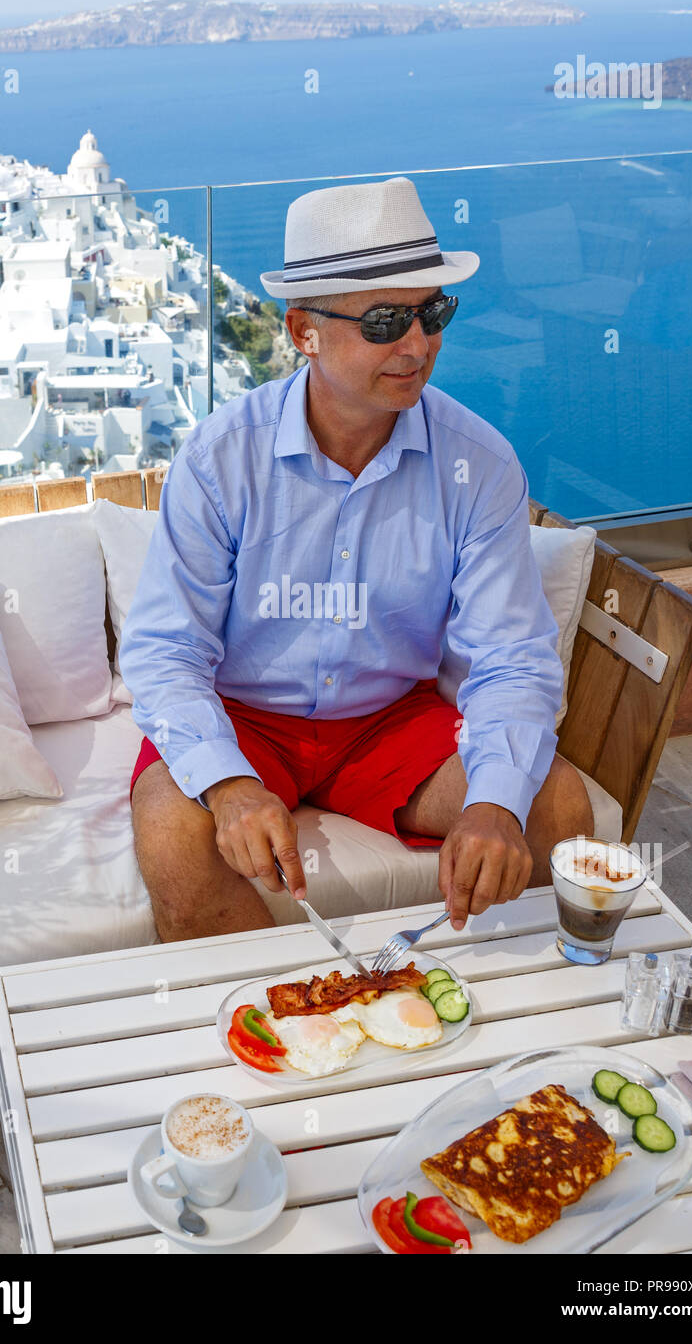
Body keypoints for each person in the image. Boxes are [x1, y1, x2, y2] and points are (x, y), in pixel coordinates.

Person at [119, 175, 593, 945]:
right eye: (384, 320)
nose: (418, 344)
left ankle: (507, 1027)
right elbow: (166, 650)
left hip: (387, 723)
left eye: (432, 311)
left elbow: (510, 657)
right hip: (244, 719)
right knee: (175, 835)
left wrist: (495, 803)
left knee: (556, 807)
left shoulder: (481, 464)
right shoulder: (220, 457)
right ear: (302, 330)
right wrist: (232, 782)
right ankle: (285, 1036)